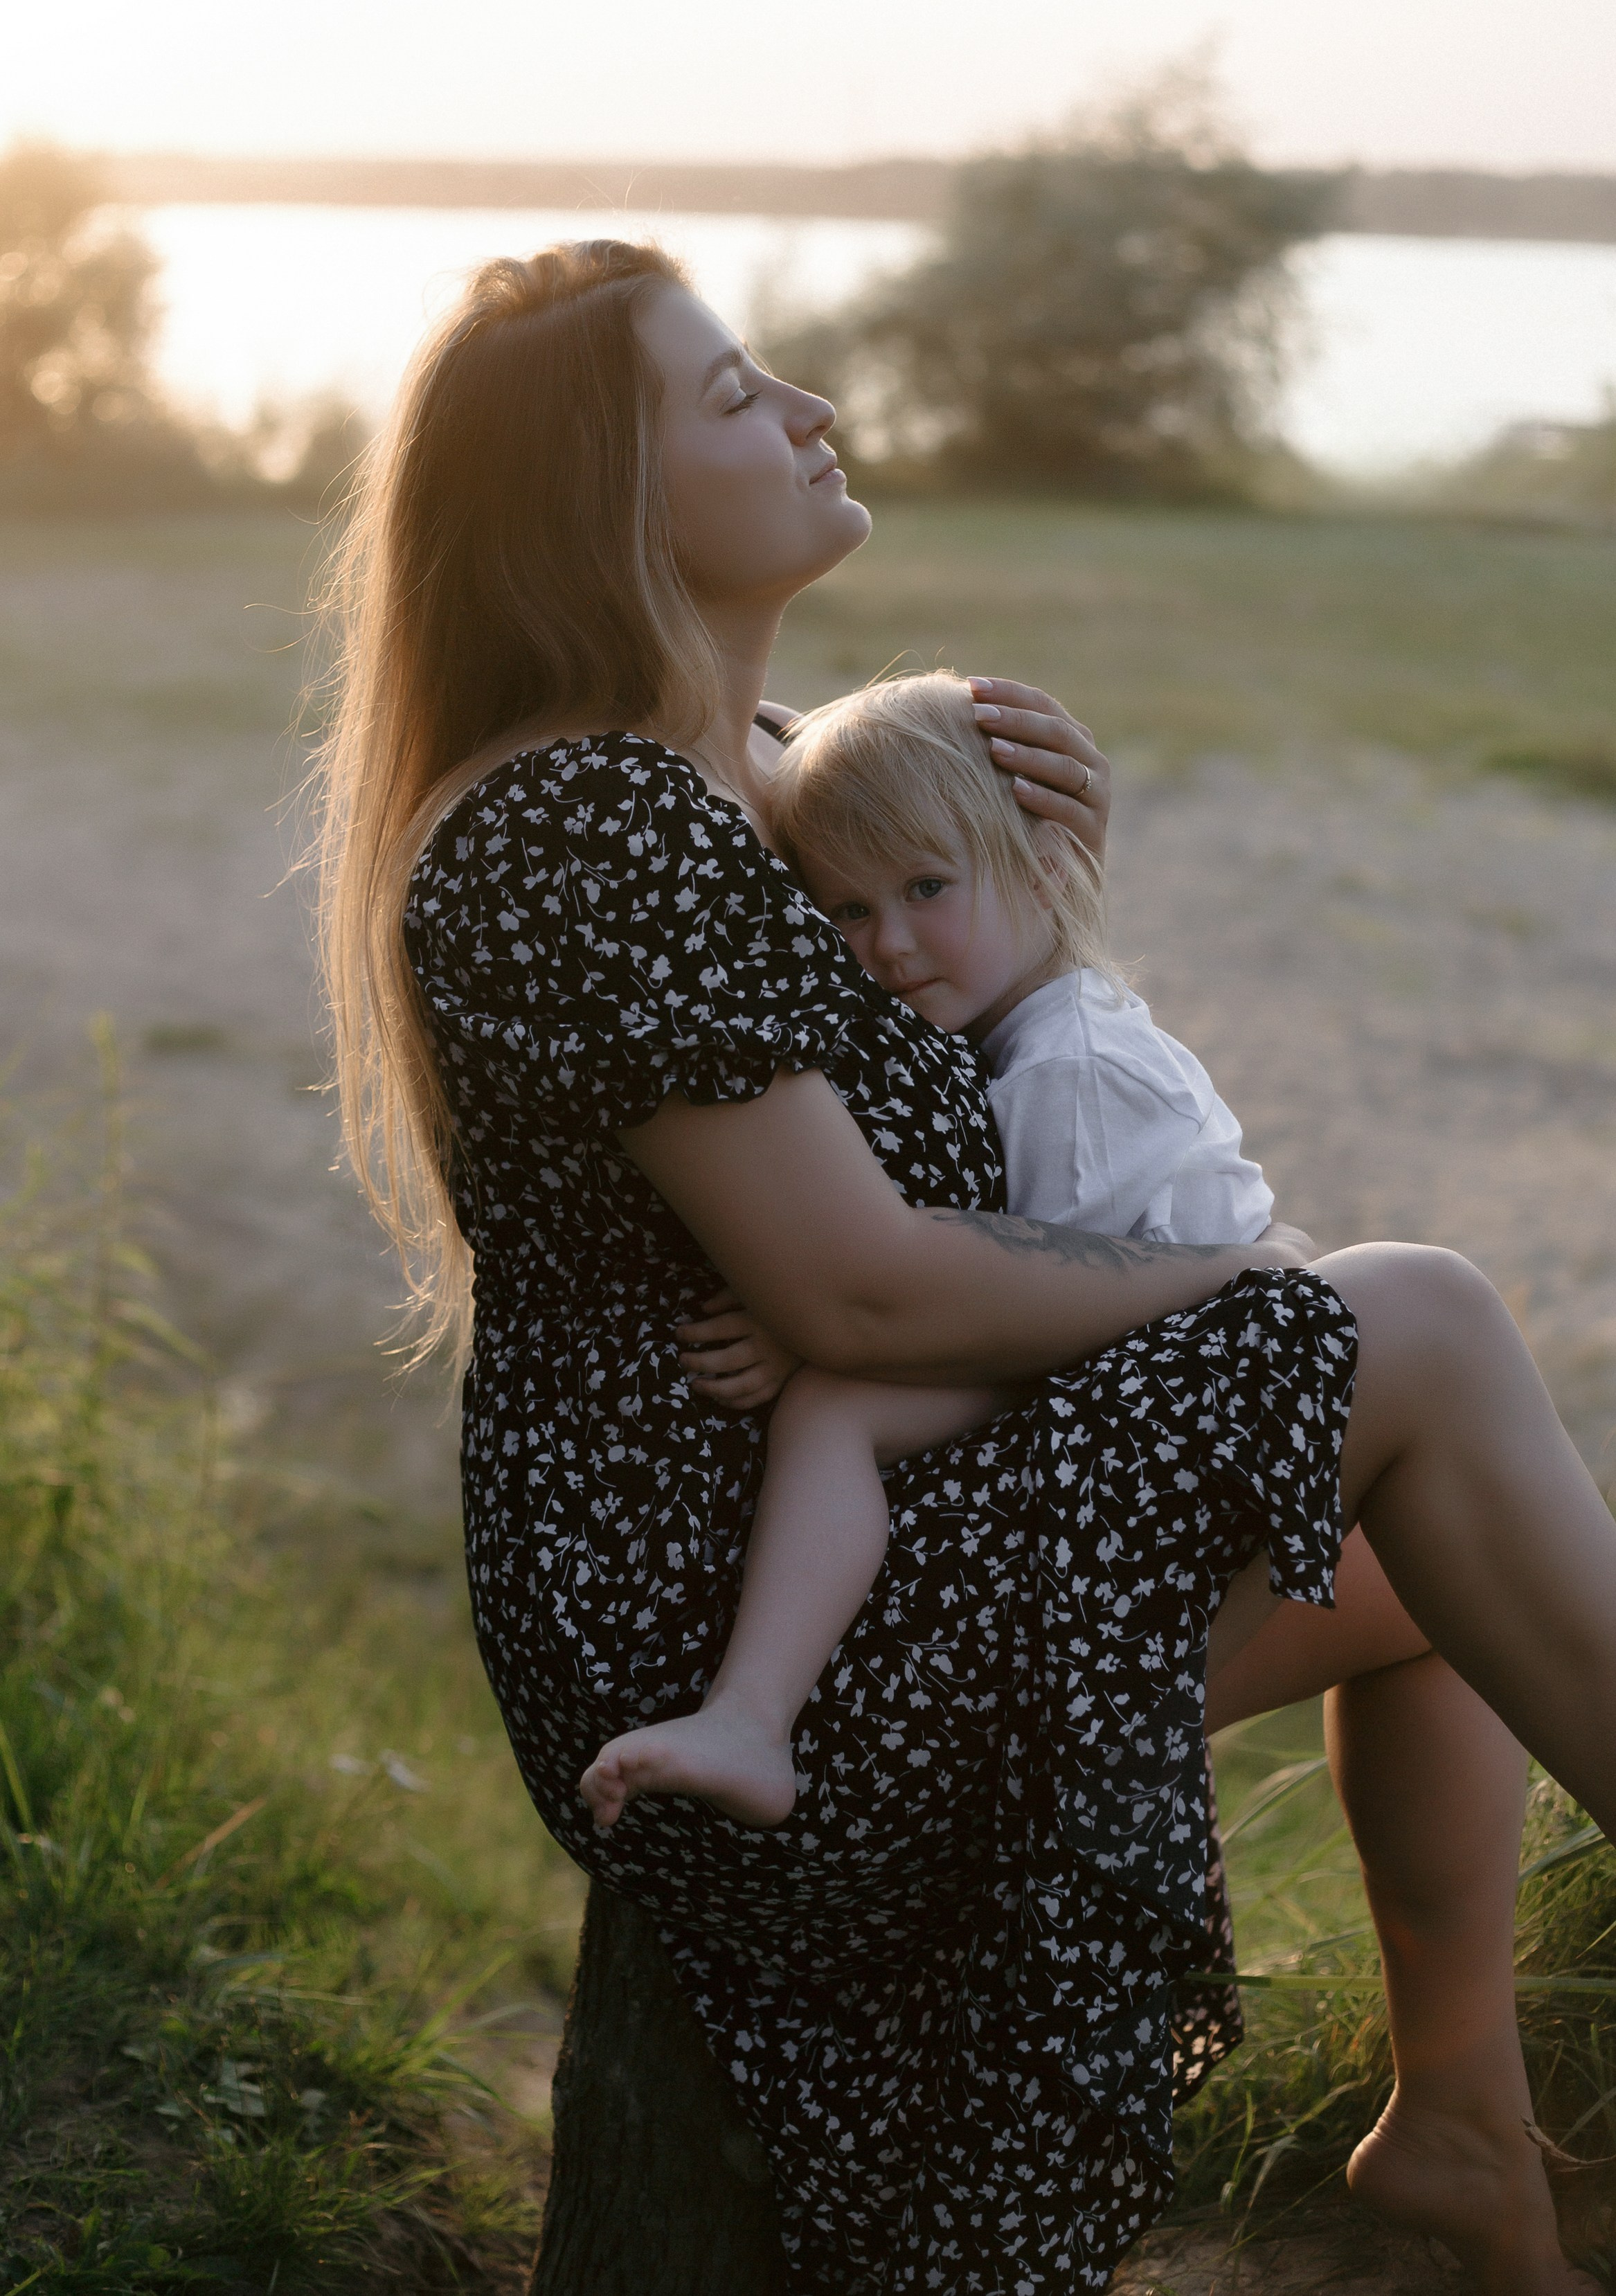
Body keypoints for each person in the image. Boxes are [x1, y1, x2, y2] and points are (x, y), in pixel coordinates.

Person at [316, 236, 1615, 2291]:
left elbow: (991, 1087)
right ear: (600, 498)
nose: (810, 410)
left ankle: (1455, 2118)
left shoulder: (757, 775)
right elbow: (865, 1299)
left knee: (1443, 1536)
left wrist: (1003, 868)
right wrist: (1250, 1287)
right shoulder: (578, 823)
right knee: (1419, 1328)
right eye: (734, 396)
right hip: (742, 1641)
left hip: (884, 1528)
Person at [579, 669, 1307, 1836]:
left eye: (926, 888)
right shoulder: (1030, 1018)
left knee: (830, 1408)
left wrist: (801, 1312)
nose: (892, 944)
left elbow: (1033, 1288)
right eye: (846, 912)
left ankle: (752, 1716)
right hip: (1145, 1340)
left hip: (1175, 1364)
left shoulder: (1070, 1063)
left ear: (1044, 864)